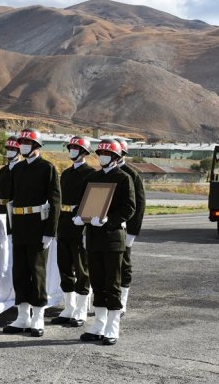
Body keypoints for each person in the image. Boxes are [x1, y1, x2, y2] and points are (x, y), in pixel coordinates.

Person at [74, 139, 135, 345]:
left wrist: (109, 220)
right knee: (97, 282)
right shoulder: (93, 177)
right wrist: (78, 216)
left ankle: (112, 327)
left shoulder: (124, 178)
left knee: (113, 283)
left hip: (112, 239)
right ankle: (99, 324)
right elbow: (83, 203)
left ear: (116, 157)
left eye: (106, 154)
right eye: (99, 153)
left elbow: (129, 207)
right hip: (93, 238)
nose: (102, 156)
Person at [3, 128, 61, 337]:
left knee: (37, 273)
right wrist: (10, 229)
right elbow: (11, 201)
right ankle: (22, 316)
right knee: (19, 272)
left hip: (38, 227)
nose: (23, 146)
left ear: (36, 146)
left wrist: (50, 231)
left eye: (27, 142)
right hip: (19, 225)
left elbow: (55, 201)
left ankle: (37, 317)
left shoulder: (47, 168)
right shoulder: (17, 169)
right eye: (21, 143)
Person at [52, 136, 95, 327]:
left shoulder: (90, 174)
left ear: (84, 152)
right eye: (71, 148)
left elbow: (92, 202)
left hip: (80, 225)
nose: (72, 151)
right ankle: (68, 307)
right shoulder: (67, 173)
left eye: (76, 148)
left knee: (81, 269)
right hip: (64, 224)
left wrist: (85, 223)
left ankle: (81, 309)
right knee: (65, 267)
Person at [117, 140, 145, 317]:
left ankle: (122, 300)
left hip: (125, 228)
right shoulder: (103, 174)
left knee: (124, 264)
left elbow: (139, 205)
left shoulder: (131, 174)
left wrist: (133, 232)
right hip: (104, 228)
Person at [0, 135, 21, 230]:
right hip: (1, 211)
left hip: (16, 213)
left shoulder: (23, 170)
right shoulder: (2, 171)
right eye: (8, 148)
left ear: (19, 151)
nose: (9, 151)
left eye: (13, 149)